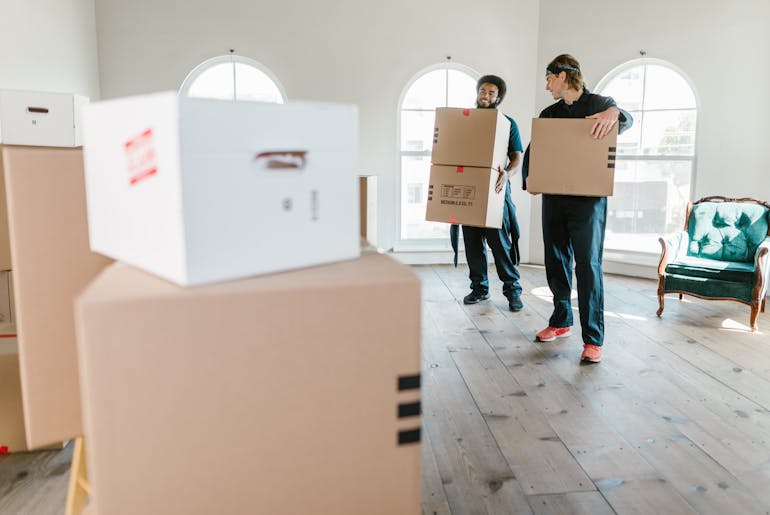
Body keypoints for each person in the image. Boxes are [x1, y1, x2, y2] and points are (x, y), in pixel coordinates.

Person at [521, 54, 633, 363]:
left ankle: (593, 339)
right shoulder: (549, 113)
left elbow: (627, 119)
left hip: (588, 203)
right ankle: (560, 321)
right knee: (555, 262)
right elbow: (535, 149)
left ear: (562, 76)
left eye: (549, 79)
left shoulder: (600, 104)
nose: (547, 86)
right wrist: (528, 178)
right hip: (554, 199)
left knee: (587, 266)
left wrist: (614, 112)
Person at [451, 75, 524, 312]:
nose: (486, 95)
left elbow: (517, 157)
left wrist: (508, 174)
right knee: (472, 243)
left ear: (498, 98)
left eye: (491, 93)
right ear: (477, 92)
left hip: (495, 189)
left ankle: (513, 291)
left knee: (500, 244)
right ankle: (479, 289)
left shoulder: (507, 123)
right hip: (469, 189)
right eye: (483, 91)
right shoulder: (465, 120)